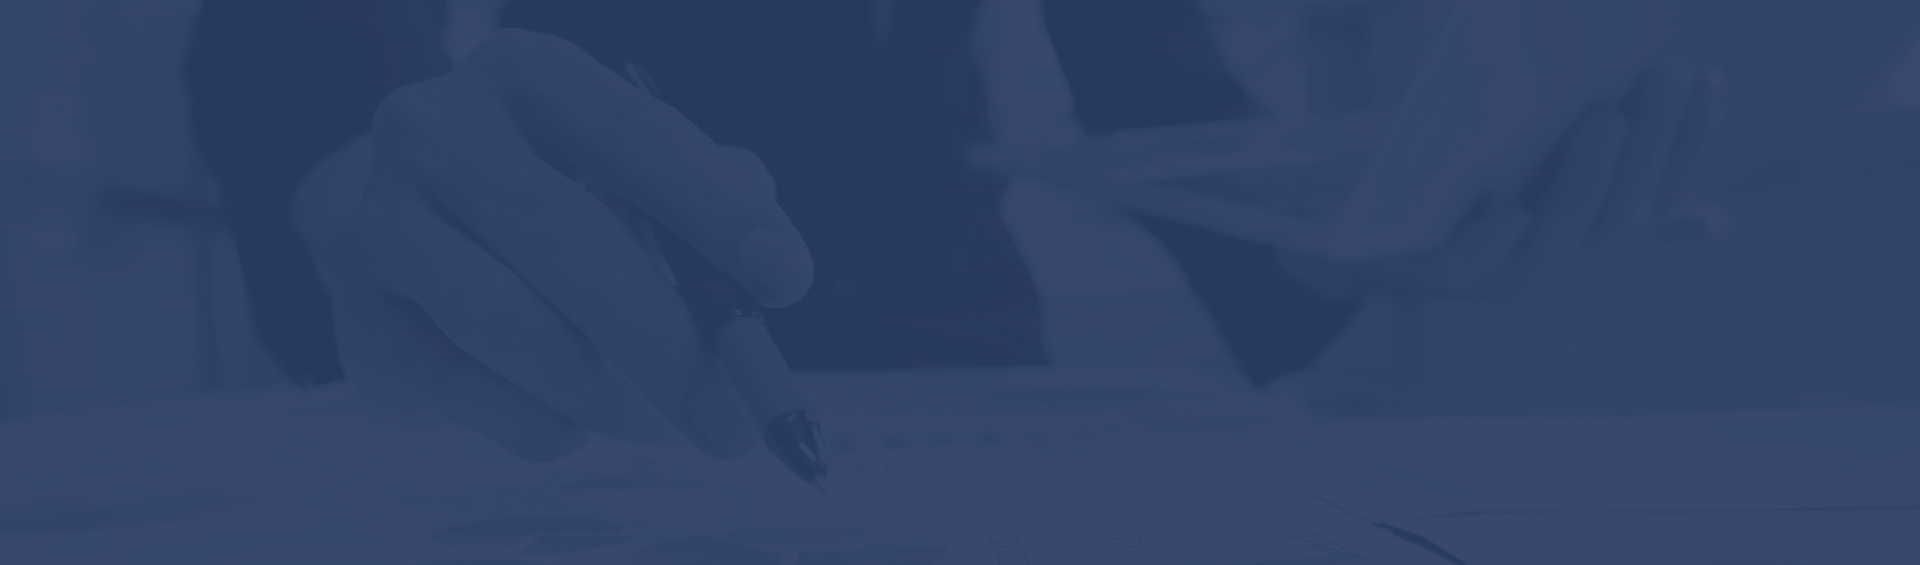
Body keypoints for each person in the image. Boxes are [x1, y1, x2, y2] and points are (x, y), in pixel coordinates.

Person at [185, 0, 1714, 461]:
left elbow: (1149, 77)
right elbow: (305, 36)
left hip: (974, 350)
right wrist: (344, 174)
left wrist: (1338, 233)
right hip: (608, 345)